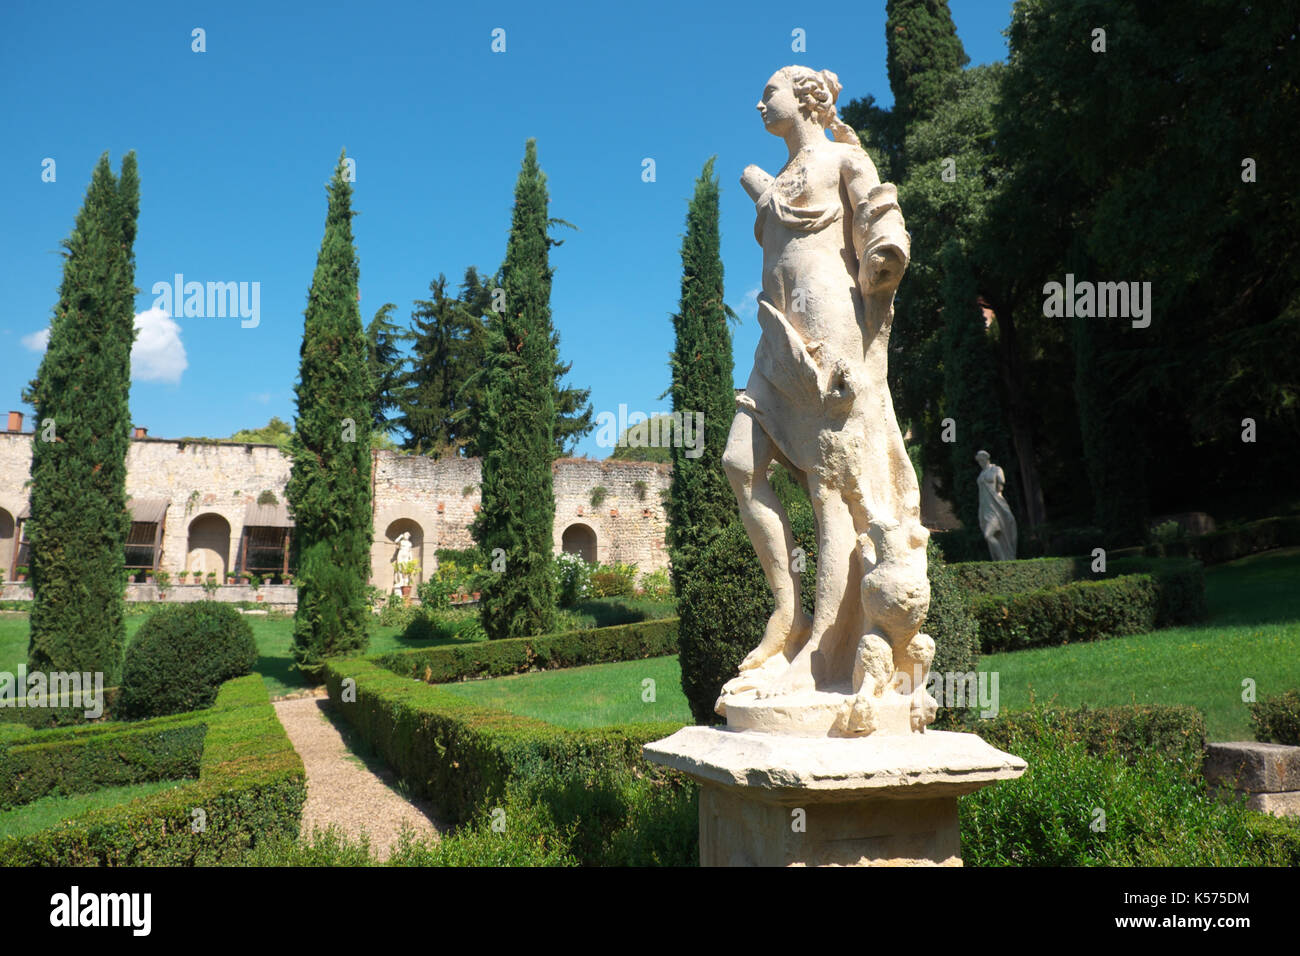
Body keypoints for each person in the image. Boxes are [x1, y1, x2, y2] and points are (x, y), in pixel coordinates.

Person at [719, 66, 923, 702]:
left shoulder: (841, 157)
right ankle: (790, 611)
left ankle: (823, 648)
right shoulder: (773, 180)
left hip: (829, 338)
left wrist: (885, 250)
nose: (759, 102)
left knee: (830, 492)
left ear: (806, 97)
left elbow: (881, 216)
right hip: (776, 337)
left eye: (768, 92)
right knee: (738, 462)